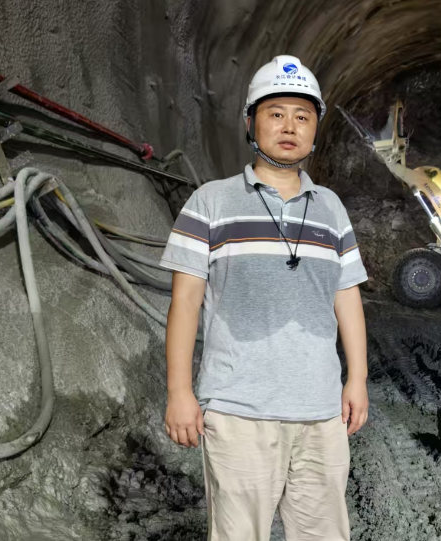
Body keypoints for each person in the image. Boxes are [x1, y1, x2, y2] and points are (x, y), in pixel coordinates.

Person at [160, 55, 369, 541]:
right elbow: (185, 303)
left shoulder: (331, 208)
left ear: (315, 131)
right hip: (238, 410)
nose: (289, 126)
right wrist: (179, 392)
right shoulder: (211, 202)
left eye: (302, 116)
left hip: (320, 412)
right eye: (276, 113)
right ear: (251, 122)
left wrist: (356, 379)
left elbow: (347, 298)